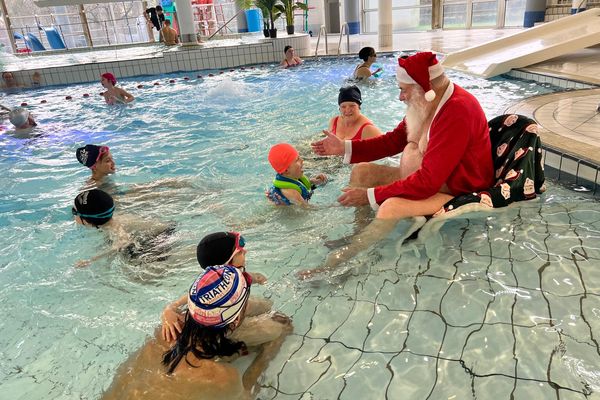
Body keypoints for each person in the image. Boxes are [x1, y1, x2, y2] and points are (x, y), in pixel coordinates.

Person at [304, 52, 494, 277]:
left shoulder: (457, 111)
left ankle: (340, 263)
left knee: (391, 206)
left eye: (404, 89)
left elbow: (428, 182)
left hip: (456, 187)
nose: (400, 97)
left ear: (425, 87)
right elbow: (392, 141)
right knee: (362, 171)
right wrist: (344, 147)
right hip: (430, 178)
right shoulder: (428, 101)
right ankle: (361, 238)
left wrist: (371, 195)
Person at [101, 265, 292, 400]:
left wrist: (171, 307)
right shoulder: (221, 377)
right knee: (278, 329)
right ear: (234, 321)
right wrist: (269, 351)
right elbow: (248, 395)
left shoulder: (167, 329)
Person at [161, 232, 287, 348]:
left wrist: (263, 281)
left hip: (230, 318)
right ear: (227, 263)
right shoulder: (213, 286)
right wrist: (170, 309)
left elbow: (256, 277)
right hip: (223, 332)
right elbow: (192, 298)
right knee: (281, 326)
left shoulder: (236, 277)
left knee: (266, 305)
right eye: (239, 252)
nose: (245, 252)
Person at [72, 189, 176, 268]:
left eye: (74, 211)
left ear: (85, 219)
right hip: (160, 230)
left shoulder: (113, 227)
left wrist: (91, 260)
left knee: (129, 264)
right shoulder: (109, 220)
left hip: (163, 236)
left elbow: (124, 241)